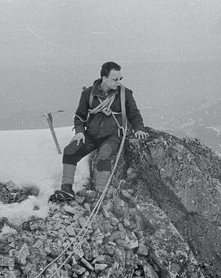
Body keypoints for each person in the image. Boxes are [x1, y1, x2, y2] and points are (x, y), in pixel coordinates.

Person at [51, 61, 149, 201]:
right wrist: (79, 131)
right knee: (70, 151)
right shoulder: (88, 94)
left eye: (120, 79)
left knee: (104, 154)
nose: (118, 82)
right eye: (115, 79)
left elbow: (134, 114)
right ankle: (66, 189)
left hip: (113, 136)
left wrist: (139, 129)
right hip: (91, 135)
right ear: (104, 78)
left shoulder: (124, 94)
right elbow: (80, 116)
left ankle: (100, 193)